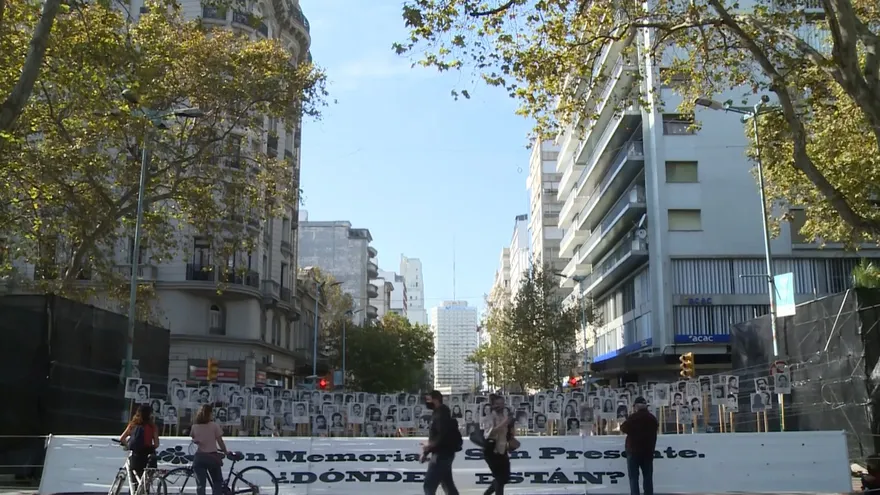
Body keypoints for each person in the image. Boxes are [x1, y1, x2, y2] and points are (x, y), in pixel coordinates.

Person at [422, 390, 460, 495]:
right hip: (443, 453)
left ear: (436, 399)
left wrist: (429, 446)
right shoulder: (438, 412)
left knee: (429, 486)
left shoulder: (441, 414)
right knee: (447, 485)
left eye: (428, 399)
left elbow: (441, 435)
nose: (427, 402)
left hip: (441, 455)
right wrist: (426, 451)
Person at [620, 397, 658, 495]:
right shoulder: (652, 419)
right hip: (648, 452)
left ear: (636, 406)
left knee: (633, 478)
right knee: (648, 477)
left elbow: (623, 428)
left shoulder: (633, 418)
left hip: (634, 452)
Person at [481, 394, 515, 495]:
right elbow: (489, 433)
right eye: (497, 404)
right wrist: (504, 422)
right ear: (492, 405)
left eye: (502, 404)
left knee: (504, 477)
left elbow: (507, 433)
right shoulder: (489, 416)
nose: (500, 406)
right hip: (491, 450)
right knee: (500, 478)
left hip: (502, 449)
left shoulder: (504, 415)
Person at [119, 405, 159, 490]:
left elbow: (122, 438)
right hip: (149, 457)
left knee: (134, 483)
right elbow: (156, 444)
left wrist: (128, 445)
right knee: (145, 483)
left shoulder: (133, 425)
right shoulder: (152, 427)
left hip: (136, 457)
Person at [191, 405, 228, 495]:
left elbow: (194, 439)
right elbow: (220, 441)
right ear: (210, 414)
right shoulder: (214, 426)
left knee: (201, 485)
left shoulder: (195, 427)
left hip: (199, 457)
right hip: (212, 457)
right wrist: (225, 451)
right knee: (217, 481)